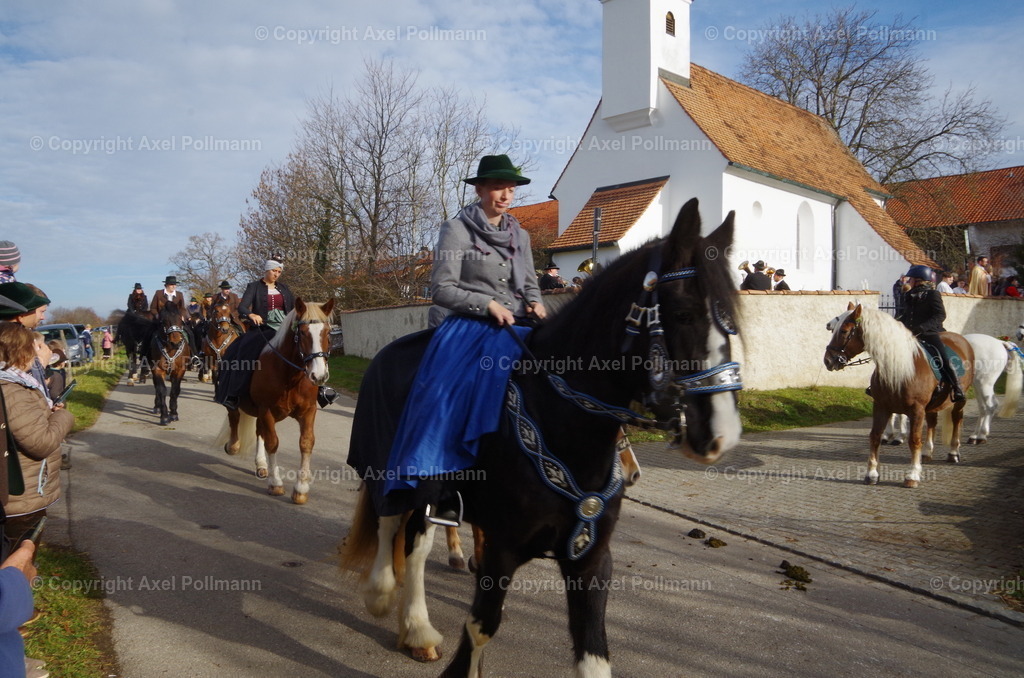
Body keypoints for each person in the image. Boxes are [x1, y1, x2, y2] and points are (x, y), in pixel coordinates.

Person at [385, 154, 546, 523]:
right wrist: (486, 304)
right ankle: (436, 486)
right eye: (497, 187)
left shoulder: (519, 234)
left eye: (510, 188)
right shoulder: (456, 229)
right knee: (442, 393)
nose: (505, 195)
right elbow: (442, 288)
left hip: (520, 323)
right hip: (470, 325)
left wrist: (536, 303)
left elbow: (531, 282)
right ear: (480, 189)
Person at [215, 259, 296, 410]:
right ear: (266, 270)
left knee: (308, 346)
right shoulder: (254, 287)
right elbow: (242, 307)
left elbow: (294, 308)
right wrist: (252, 315)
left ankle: (320, 388)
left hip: (284, 328)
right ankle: (234, 393)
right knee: (243, 350)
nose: (276, 274)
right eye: (274, 271)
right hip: (262, 328)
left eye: (279, 272)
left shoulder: (284, 288)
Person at [896, 265, 964, 402]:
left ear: (919, 280)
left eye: (911, 279)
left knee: (942, 356)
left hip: (930, 333)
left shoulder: (933, 294)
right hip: (910, 334)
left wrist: (922, 328)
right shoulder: (909, 295)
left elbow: (940, 315)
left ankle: (957, 387)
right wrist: (894, 324)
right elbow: (906, 315)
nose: (908, 281)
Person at [150, 276, 201, 369]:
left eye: (175, 284)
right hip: (162, 321)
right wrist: (157, 315)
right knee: (148, 333)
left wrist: (183, 316)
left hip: (176, 321)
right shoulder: (158, 293)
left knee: (190, 333)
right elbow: (153, 307)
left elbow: (182, 308)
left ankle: (194, 356)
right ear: (166, 285)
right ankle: (145, 355)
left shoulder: (179, 294)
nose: (174, 286)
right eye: (171, 284)